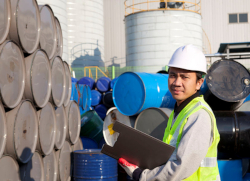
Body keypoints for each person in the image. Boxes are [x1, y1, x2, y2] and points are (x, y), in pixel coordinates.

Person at [118, 44, 221, 181]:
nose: (177, 82)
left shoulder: (198, 115)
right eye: (173, 75)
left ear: (199, 83)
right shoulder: (179, 111)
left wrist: (142, 176)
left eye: (185, 77)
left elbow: (181, 166)